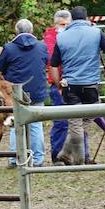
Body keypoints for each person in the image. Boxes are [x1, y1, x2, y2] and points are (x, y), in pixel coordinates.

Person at [49, 6, 105, 165]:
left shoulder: (62, 37)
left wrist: (58, 84)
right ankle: (79, 161)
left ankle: (66, 154)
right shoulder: (96, 32)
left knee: (76, 122)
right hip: (91, 84)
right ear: (87, 18)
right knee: (85, 118)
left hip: (70, 85)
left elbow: (53, 65)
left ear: (71, 19)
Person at [0, 18, 49, 166]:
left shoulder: (9, 48)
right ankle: (38, 159)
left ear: (16, 31)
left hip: (16, 93)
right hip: (37, 91)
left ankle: (15, 158)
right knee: (36, 125)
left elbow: (0, 65)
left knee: (15, 125)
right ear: (31, 31)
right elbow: (46, 62)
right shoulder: (42, 46)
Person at [44, 10, 71, 162]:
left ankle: (80, 154)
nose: (65, 27)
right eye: (62, 24)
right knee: (61, 122)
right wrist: (57, 82)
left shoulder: (71, 35)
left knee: (77, 121)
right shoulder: (50, 38)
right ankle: (57, 155)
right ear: (56, 25)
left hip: (73, 81)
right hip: (57, 83)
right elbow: (52, 61)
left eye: (68, 24)